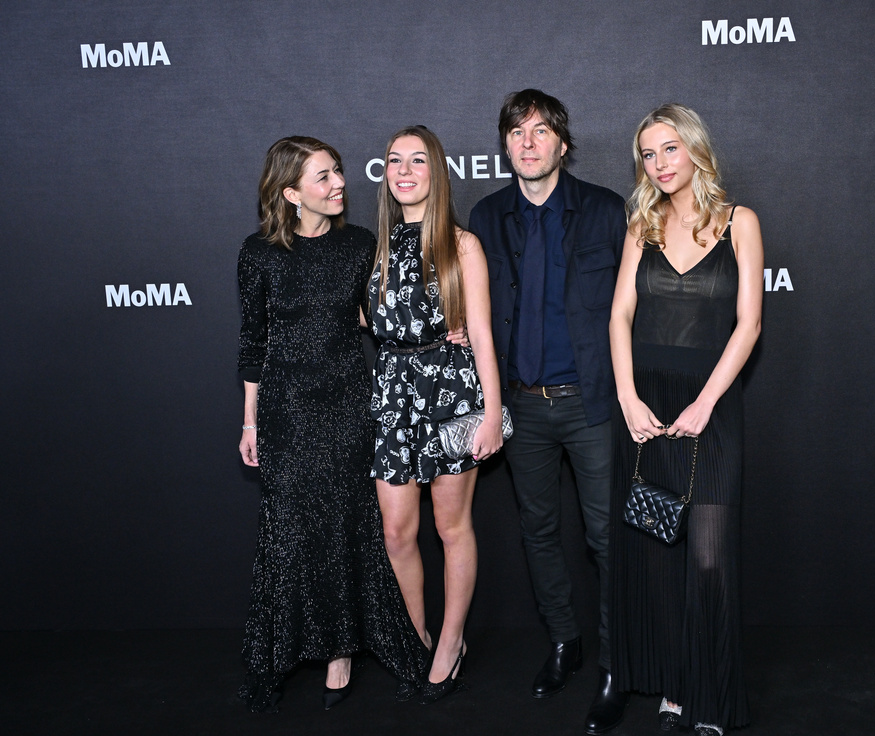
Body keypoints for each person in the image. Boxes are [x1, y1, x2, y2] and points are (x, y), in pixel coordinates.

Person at [236, 136, 429, 712]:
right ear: (292, 193)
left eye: (338, 172)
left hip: (348, 406)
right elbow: (253, 344)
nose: (339, 183)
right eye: (323, 178)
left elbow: (381, 319)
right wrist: (249, 425)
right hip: (286, 413)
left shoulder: (361, 245)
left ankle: (342, 654)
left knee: (347, 527)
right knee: (291, 533)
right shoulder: (258, 253)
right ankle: (281, 653)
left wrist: (449, 329)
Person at [468, 89, 629, 735]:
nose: (528, 143)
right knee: (538, 534)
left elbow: (634, 307)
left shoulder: (606, 212)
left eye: (540, 132)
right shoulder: (486, 216)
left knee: (606, 539)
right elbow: (472, 307)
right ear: (505, 145)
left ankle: (619, 663)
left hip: (592, 403)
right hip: (521, 408)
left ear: (563, 143)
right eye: (516, 132)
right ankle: (565, 643)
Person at [608, 104, 763, 735]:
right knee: (657, 556)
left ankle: (712, 697)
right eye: (648, 153)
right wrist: (626, 397)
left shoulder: (739, 222)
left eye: (669, 148)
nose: (660, 164)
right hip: (645, 404)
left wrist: (706, 402)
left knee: (708, 558)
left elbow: (749, 323)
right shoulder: (640, 224)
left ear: (695, 148)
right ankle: (674, 688)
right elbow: (619, 315)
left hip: (713, 403)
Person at [368, 125, 504, 704]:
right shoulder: (372, 247)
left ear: (436, 172)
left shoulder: (461, 245)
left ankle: (451, 642)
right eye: (394, 161)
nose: (403, 171)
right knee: (398, 533)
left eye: (416, 161)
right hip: (392, 394)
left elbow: (481, 336)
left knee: (451, 529)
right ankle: (415, 637)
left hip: (453, 396)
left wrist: (492, 413)